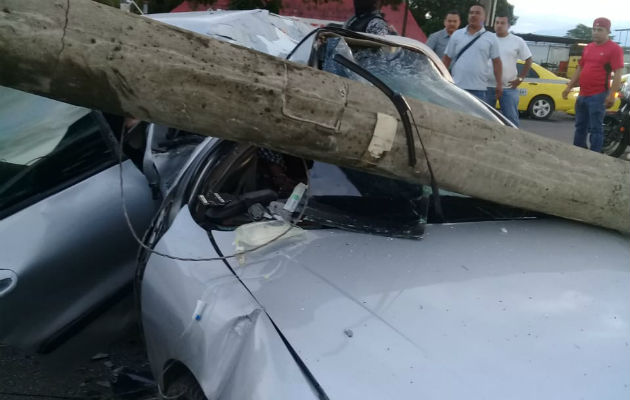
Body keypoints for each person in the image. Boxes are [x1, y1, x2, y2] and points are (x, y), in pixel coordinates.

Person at [562, 17, 624, 152]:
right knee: (580, 126)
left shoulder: (614, 49)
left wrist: (612, 95)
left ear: (607, 31)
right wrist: (569, 87)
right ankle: (578, 152)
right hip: (583, 94)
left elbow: (618, 74)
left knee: (595, 128)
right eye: (594, 29)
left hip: (598, 95)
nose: (595, 32)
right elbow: (580, 68)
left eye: (599, 30)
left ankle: (594, 156)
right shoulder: (589, 47)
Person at [443, 4, 502, 101]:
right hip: (457, 86)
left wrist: (499, 83)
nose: (473, 15)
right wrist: (442, 79)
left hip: (478, 89)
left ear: (484, 17)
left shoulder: (491, 38)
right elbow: (446, 59)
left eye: (478, 13)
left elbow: (497, 62)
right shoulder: (457, 35)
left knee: (475, 117)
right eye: (471, 13)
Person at [485, 15, 532, 127]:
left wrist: (520, 78)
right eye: (497, 22)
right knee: (485, 118)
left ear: (508, 26)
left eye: (502, 23)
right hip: (487, 86)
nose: (499, 25)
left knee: (511, 120)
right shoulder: (487, 38)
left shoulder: (517, 41)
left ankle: (513, 142)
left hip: (508, 88)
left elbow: (529, 59)